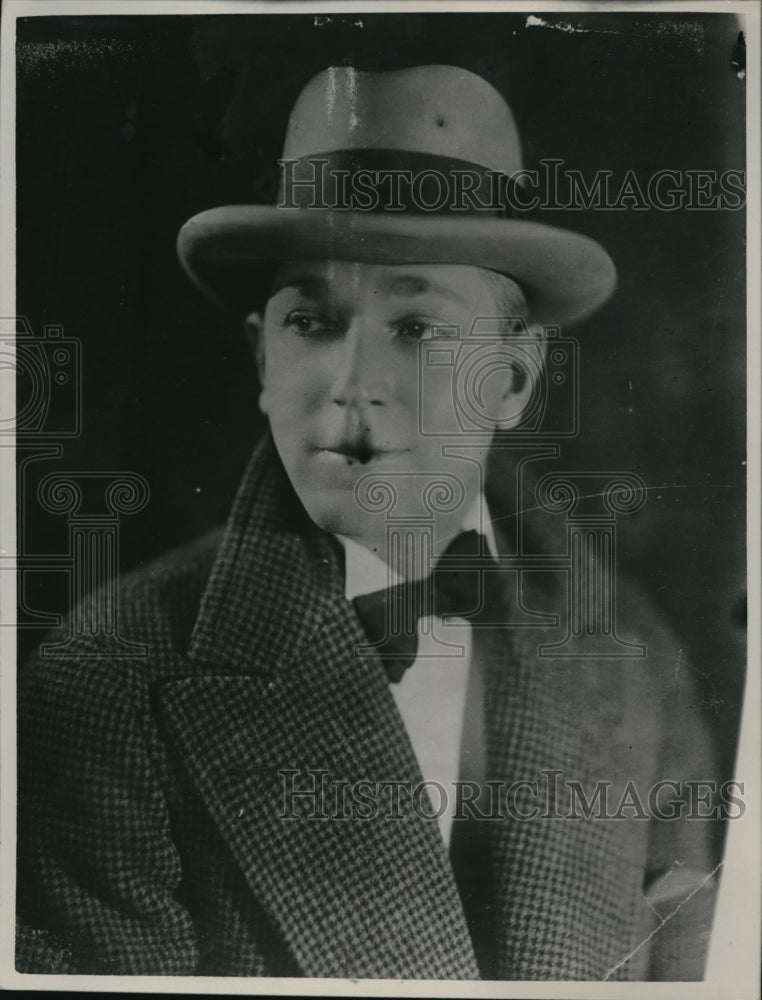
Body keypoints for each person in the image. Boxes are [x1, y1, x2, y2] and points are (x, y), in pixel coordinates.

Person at [16, 63, 724, 981]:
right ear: (261, 360)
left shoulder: (636, 655)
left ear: (511, 378)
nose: (351, 381)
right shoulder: (106, 682)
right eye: (311, 320)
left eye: (417, 329)